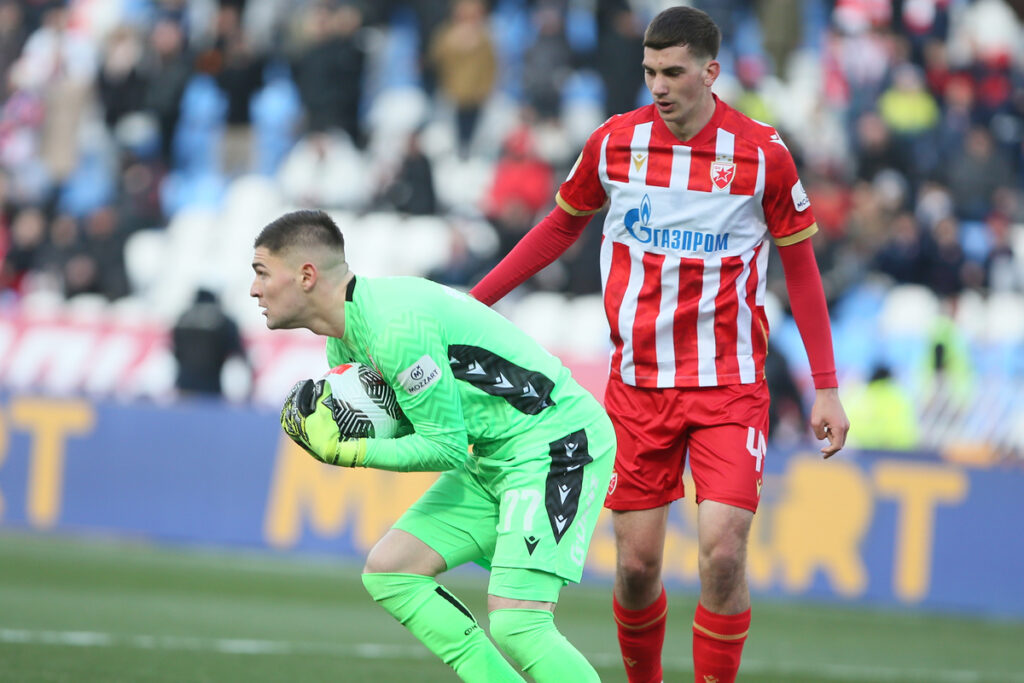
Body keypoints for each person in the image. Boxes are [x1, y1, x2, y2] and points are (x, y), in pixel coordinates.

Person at [469, 7, 850, 683]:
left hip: (729, 386)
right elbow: (558, 230)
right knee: (637, 566)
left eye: (673, 72)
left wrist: (825, 382)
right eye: (650, 72)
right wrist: (473, 303)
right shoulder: (614, 145)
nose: (660, 86)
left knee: (723, 553)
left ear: (712, 72)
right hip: (638, 387)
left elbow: (801, 267)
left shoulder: (762, 156)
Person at [249, 209, 615, 682]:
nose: (254, 290)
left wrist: (351, 451)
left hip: (555, 443)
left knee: (518, 623)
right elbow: (419, 425)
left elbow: (443, 446)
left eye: (261, 274)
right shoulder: (345, 343)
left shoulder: (394, 328)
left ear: (305, 275)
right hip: (492, 458)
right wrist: (341, 432)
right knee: (391, 571)